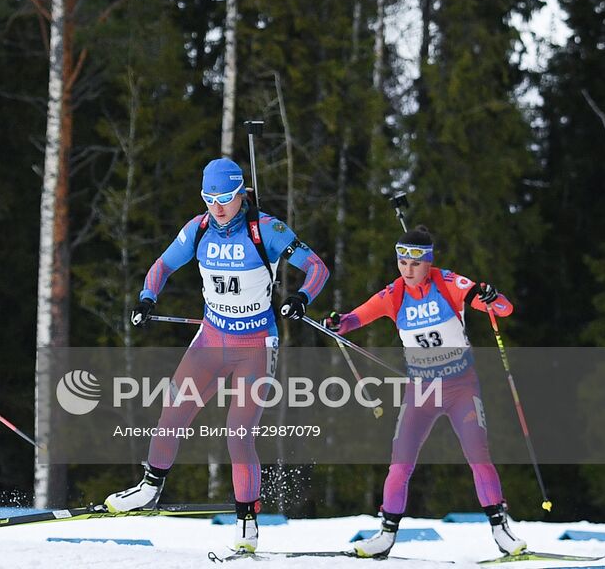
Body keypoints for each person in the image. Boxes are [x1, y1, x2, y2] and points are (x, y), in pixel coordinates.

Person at [105, 157, 329, 554]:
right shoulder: (198, 229)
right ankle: (149, 488)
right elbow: (161, 266)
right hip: (210, 340)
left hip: (255, 346)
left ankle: (246, 523)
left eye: (225, 198)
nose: (217, 207)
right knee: (171, 414)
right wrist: (146, 298)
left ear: (241, 193)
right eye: (209, 199)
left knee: (238, 434)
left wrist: (301, 297)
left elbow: (317, 268)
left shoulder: (266, 230)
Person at [325, 225, 525, 558]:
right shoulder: (394, 295)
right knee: (399, 465)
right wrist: (336, 322)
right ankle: (385, 536)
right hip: (421, 391)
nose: (408, 270)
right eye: (402, 262)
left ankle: (501, 531)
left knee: (479, 457)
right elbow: (352, 320)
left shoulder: (449, 284)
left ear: (428, 262)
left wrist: (494, 298)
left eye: (415, 263)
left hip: (460, 387)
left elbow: (503, 310)